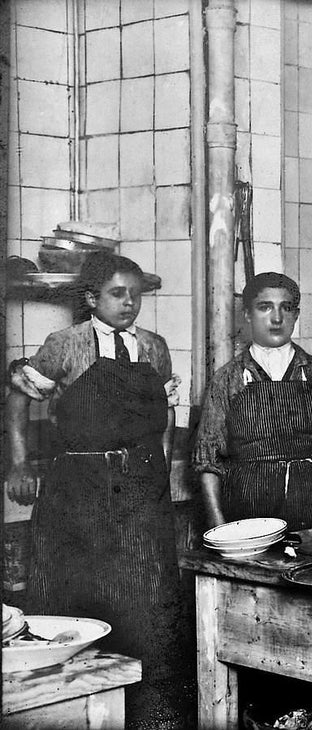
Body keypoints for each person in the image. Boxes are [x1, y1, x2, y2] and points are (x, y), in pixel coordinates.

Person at [5, 252, 189, 728]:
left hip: (140, 486)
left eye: (136, 295)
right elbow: (18, 398)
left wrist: (160, 469)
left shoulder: (153, 347)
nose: (129, 304)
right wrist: (19, 463)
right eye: (117, 294)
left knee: (147, 595)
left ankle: (148, 709)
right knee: (78, 594)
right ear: (91, 299)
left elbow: (166, 412)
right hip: (78, 486)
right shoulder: (64, 344)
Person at [193, 272, 312, 531]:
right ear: (247, 314)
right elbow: (208, 461)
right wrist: (218, 524)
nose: (277, 318)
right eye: (265, 307)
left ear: (296, 315)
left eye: (286, 308)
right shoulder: (227, 379)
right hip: (247, 513)